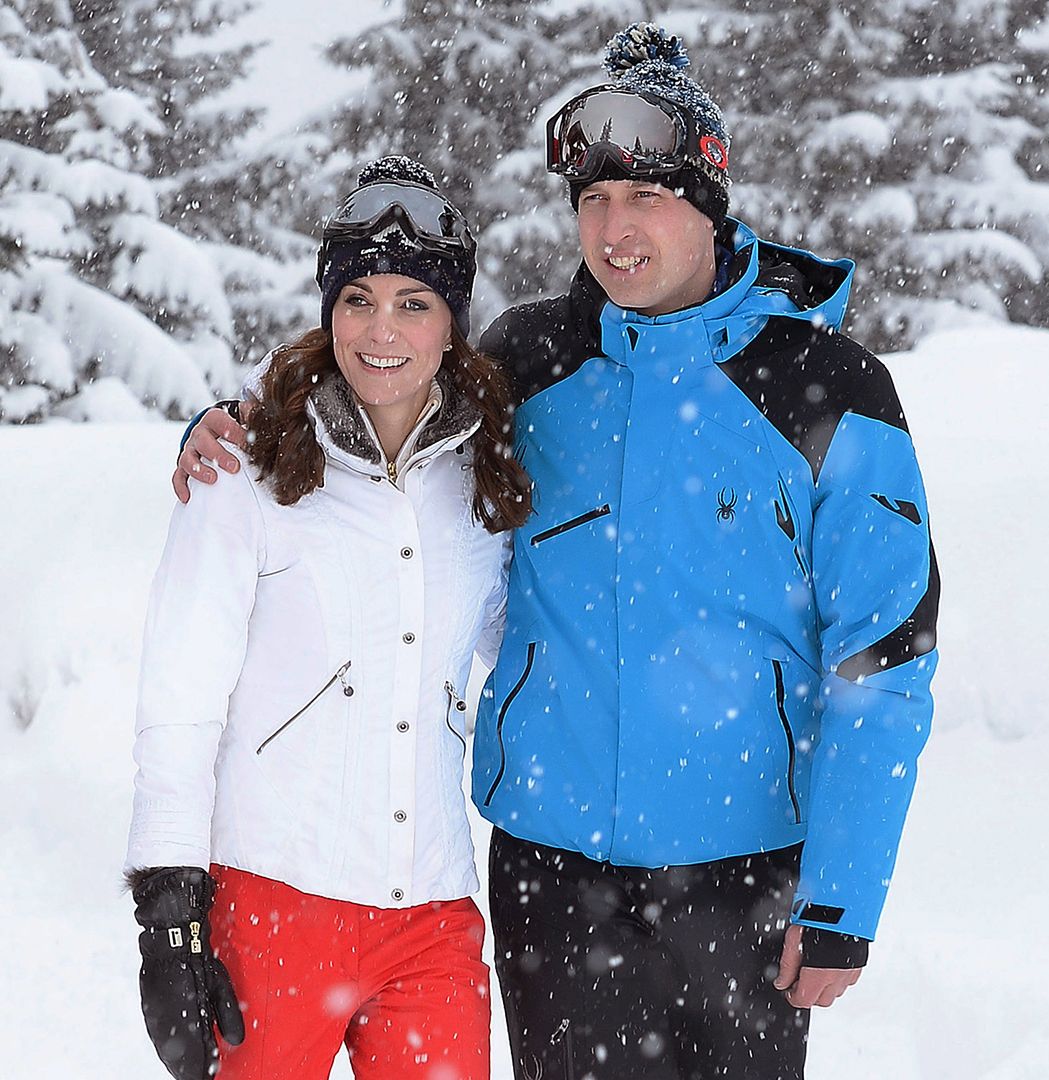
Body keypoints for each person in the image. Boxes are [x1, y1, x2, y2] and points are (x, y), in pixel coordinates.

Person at [174, 23, 939, 1080]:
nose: (614, 231)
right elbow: (382, 398)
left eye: (646, 199)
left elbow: (885, 658)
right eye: (593, 202)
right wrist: (236, 424)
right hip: (553, 873)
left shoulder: (826, 389)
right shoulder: (527, 361)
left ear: (709, 205)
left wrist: (844, 894)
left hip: (744, 872)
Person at [126, 155, 530, 1080]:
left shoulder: (487, 478)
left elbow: (530, 653)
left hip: (432, 913)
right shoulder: (246, 472)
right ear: (328, 310)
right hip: (275, 903)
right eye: (358, 298)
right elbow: (179, 697)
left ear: (453, 323)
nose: (381, 329)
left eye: (414, 304)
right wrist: (168, 911)